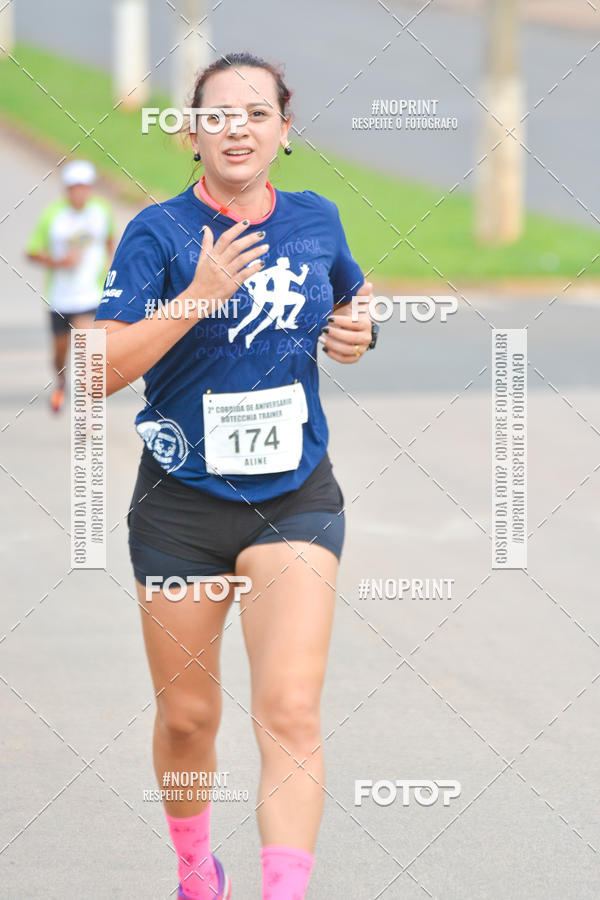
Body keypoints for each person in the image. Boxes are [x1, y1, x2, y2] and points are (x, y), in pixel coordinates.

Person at [94, 51, 376, 900]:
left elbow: (350, 302)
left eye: (258, 113)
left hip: (294, 498)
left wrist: (358, 330)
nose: (239, 129)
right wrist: (198, 295)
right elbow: (96, 367)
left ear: (284, 132)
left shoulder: (317, 219)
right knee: (189, 719)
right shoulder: (159, 234)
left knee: (289, 710)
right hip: (181, 505)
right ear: (191, 132)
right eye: (220, 114)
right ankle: (194, 870)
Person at [26, 159, 115, 412]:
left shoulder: (102, 211)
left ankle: (87, 404)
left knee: (88, 348)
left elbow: (110, 241)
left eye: (84, 187)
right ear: (67, 189)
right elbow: (32, 252)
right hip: (60, 298)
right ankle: (61, 381)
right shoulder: (53, 215)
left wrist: (112, 268)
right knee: (59, 355)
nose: (80, 192)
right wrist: (58, 262)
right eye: (74, 187)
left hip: (90, 295)